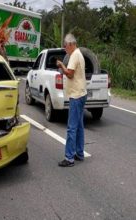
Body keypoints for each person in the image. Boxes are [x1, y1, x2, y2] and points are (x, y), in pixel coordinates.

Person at [56, 33, 87, 167]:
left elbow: (70, 74)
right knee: (79, 126)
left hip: (76, 95)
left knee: (71, 127)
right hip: (81, 93)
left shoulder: (74, 55)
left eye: (65, 46)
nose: (64, 49)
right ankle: (79, 153)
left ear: (70, 44)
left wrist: (62, 66)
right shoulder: (79, 53)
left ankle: (69, 158)